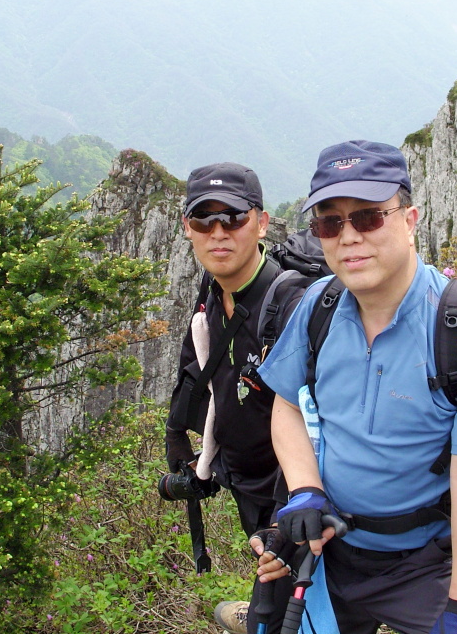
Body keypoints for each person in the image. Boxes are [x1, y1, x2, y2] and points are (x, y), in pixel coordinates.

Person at [257, 140, 457, 634]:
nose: (349, 237)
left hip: (421, 564)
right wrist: (305, 490)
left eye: (369, 217)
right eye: (330, 223)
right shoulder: (318, 306)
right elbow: (288, 404)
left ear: (410, 219)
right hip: (328, 547)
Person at [164, 162, 293, 634]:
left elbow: (318, 426)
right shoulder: (211, 289)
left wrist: (289, 512)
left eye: (233, 218)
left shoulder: (286, 306)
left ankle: (268, 616)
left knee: (297, 593)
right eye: (204, 220)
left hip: (286, 487)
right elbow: (196, 362)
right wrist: (177, 434)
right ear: (187, 229)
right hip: (244, 478)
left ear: (260, 222)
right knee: (271, 575)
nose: (218, 233)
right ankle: (267, 607)